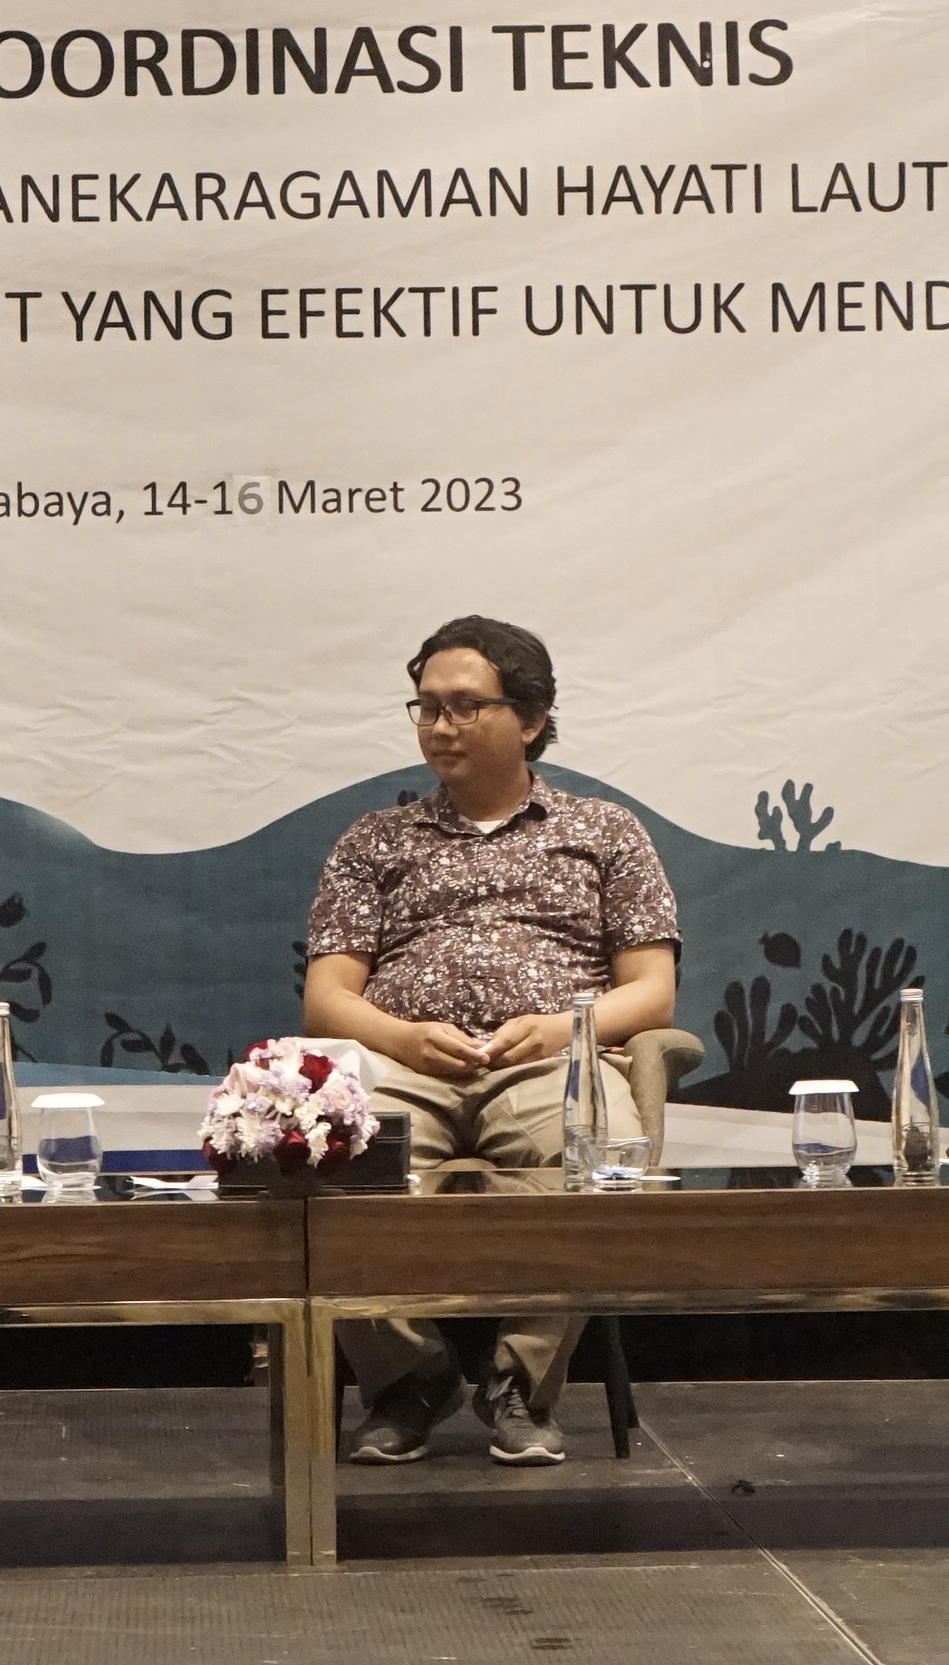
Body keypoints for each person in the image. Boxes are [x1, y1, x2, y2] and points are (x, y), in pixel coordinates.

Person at [301, 615, 681, 1468]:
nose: (440, 727)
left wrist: (563, 1028)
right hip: (404, 1061)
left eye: (466, 706)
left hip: (548, 1060)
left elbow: (653, 991)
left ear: (533, 718)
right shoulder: (375, 841)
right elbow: (327, 999)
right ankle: (410, 1376)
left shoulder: (605, 834)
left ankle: (519, 1383)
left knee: (600, 1153)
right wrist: (402, 1036)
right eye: (427, 707)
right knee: (321, 1151)